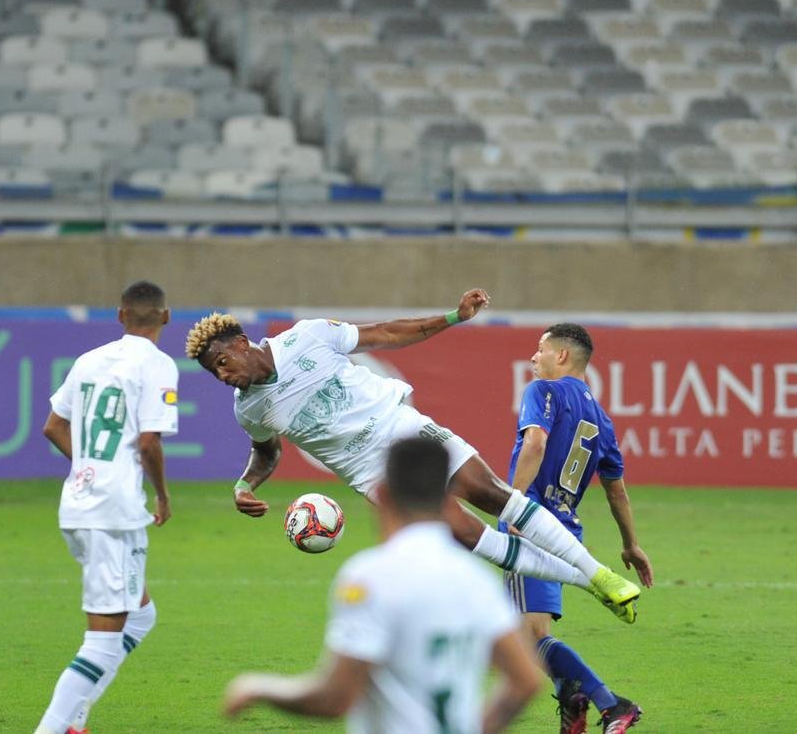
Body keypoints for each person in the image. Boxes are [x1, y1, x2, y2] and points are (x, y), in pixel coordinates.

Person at [184, 289, 642, 624]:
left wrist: (452, 316)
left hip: (402, 428)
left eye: (222, 362)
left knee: (493, 494)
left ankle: (596, 573)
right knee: (470, 536)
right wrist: (246, 484)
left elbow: (386, 333)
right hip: (375, 474)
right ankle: (594, 581)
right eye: (213, 372)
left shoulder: (307, 338)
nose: (222, 376)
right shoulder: (250, 409)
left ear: (241, 344)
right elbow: (266, 453)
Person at [224, 437, 542, 732]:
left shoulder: (370, 577)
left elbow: (335, 698)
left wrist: (260, 688)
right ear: (448, 500)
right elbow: (527, 679)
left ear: (383, 495)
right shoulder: (477, 579)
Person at [34, 281, 179, 734]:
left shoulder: (88, 360)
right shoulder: (158, 364)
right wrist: (162, 494)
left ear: (120, 315)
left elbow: (53, 426)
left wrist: (91, 465)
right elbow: (149, 441)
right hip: (113, 513)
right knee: (101, 641)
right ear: (166, 317)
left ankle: (76, 718)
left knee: (140, 614)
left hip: (79, 504)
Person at [505, 323, 654, 734]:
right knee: (535, 632)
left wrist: (515, 506)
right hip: (566, 534)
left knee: (523, 641)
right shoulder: (602, 419)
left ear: (562, 356)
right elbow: (616, 491)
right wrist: (632, 545)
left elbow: (535, 443)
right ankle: (573, 702)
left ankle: (611, 703)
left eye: (540, 349)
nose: (534, 357)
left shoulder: (544, 392)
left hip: (531, 523)